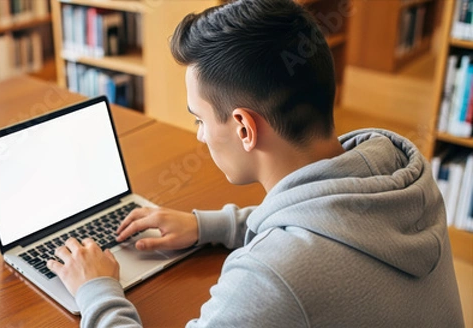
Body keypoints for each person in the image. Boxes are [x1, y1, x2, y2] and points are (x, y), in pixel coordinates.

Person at [47, 0, 465, 326]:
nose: (199, 134)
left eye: (199, 119)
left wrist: (97, 290)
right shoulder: (398, 170)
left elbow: (301, 251)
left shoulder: (271, 277)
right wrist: (209, 226)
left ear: (245, 128)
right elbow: (328, 212)